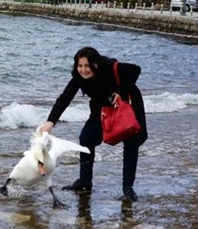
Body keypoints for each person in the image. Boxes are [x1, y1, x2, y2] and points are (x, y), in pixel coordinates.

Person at [39, 47, 147, 201]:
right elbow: (65, 98)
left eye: (87, 66)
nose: (83, 70)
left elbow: (136, 70)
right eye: (80, 66)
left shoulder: (109, 69)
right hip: (102, 108)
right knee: (86, 137)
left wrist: (121, 92)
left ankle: (128, 188)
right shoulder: (78, 77)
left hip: (126, 106)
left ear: (95, 64)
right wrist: (50, 122)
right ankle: (85, 181)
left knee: (131, 143)